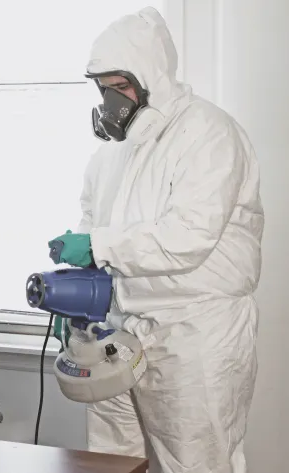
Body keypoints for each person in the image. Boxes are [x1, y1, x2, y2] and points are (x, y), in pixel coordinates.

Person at [47, 7, 264, 473]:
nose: (111, 100)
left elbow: (188, 237)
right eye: (103, 87)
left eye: (121, 86)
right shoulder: (110, 155)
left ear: (152, 78)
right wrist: (82, 302)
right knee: (110, 460)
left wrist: (98, 247)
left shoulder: (208, 133)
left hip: (194, 332)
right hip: (118, 330)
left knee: (195, 462)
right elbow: (91, 224)